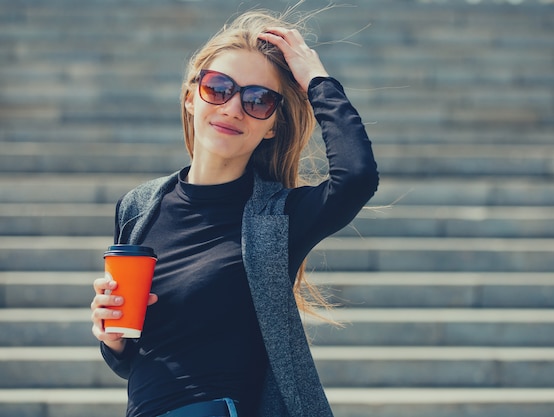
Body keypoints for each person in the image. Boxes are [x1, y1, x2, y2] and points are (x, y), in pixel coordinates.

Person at [90, 7, 378, 417]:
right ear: (191, 98)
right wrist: (112, 337)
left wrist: (315, 78)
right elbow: (134, 360)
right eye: (218, 88)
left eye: (258, 99)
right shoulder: (138, 206)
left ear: (273, 125)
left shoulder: (279, 218)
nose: (232, 108)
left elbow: (357, 178)